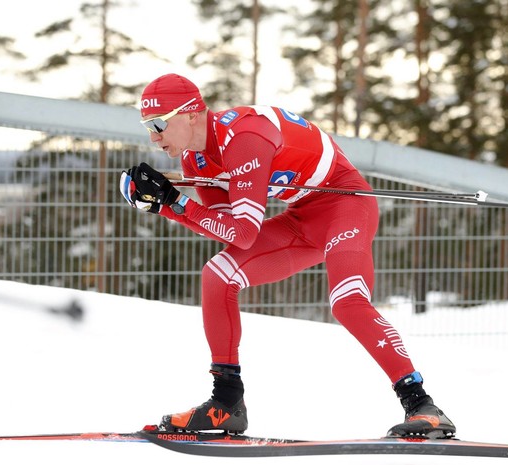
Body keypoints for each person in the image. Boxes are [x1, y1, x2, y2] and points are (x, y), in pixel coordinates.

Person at [119, 73, 455, 438]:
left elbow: (244, 232)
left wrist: (175, 202)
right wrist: (165, 206)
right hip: (302, 219)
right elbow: (227, 228)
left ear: (191, 114)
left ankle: (423, 406)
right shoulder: (196, 162)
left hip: (345, 205)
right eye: (147, 126)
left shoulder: (244, 137)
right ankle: (226, 403)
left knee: (348, 303)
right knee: (218, 274)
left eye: (158, 124)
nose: (153, 137)